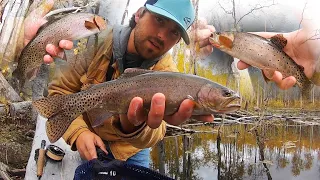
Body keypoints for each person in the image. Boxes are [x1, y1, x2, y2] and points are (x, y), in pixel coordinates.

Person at [25, 0, 215, 168]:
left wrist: (134, 127)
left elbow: (159, 131)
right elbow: (60, 91)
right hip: (91, 133)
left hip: (132, 149)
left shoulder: (169, 74)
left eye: (174, 32)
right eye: (159, 20)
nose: (162, 36)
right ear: (139, 14)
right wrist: (79, 133)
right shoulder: (93, 42)